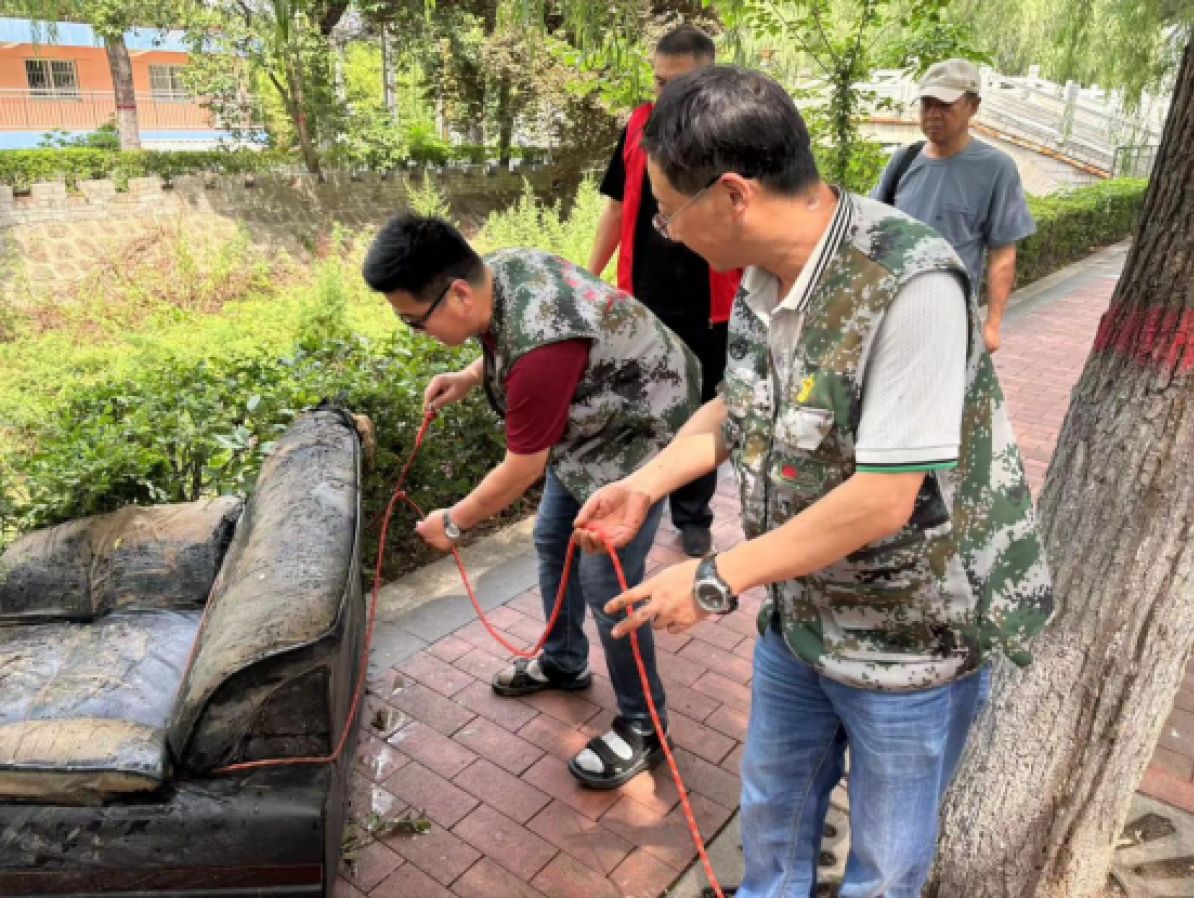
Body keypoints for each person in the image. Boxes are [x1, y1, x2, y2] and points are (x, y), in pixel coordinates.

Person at [574, 66, 1055, 897]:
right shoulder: (764, 279)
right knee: (773, 820)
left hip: (912, 643)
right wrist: (645, 485)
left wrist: (716, 578)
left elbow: (884, 497)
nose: (665, 232)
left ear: (733, 195)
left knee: (885, 865)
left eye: (668, 211)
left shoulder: (911, 283)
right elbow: (739, 407)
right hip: (801, 621)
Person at [362, 216, 700, 789]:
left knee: (607, 583)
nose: (416, 332)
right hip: (589, 423)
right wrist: (471, 375)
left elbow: (522, 468)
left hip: (640, 429)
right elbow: (508, 338)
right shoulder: (498, 271)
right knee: (551, 538)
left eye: (415, 321)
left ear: (458, 293)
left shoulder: (542, 350)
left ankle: (646, 726)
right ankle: (564, 662)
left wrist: (455, 523)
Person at [589, 23, 742, 558]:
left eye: (680, 85)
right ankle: (637, 501)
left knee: (704, 408)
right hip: (642, 300)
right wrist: (590, 280)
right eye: (659, 83)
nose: (667, 96)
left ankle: (693, 514)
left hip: (711, 305)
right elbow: (615, 208)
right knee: (639, 408)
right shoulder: (638, 127)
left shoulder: (733, 135)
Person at [871, 58, 1036, 354]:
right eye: (927, 105)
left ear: (973, 106)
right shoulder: (903, 161)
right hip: (892, 315)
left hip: (952, 318)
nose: (933, 115)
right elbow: (872, 230)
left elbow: (1002, 253)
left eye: (945, 106)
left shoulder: (996, 169)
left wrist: (993, 325)